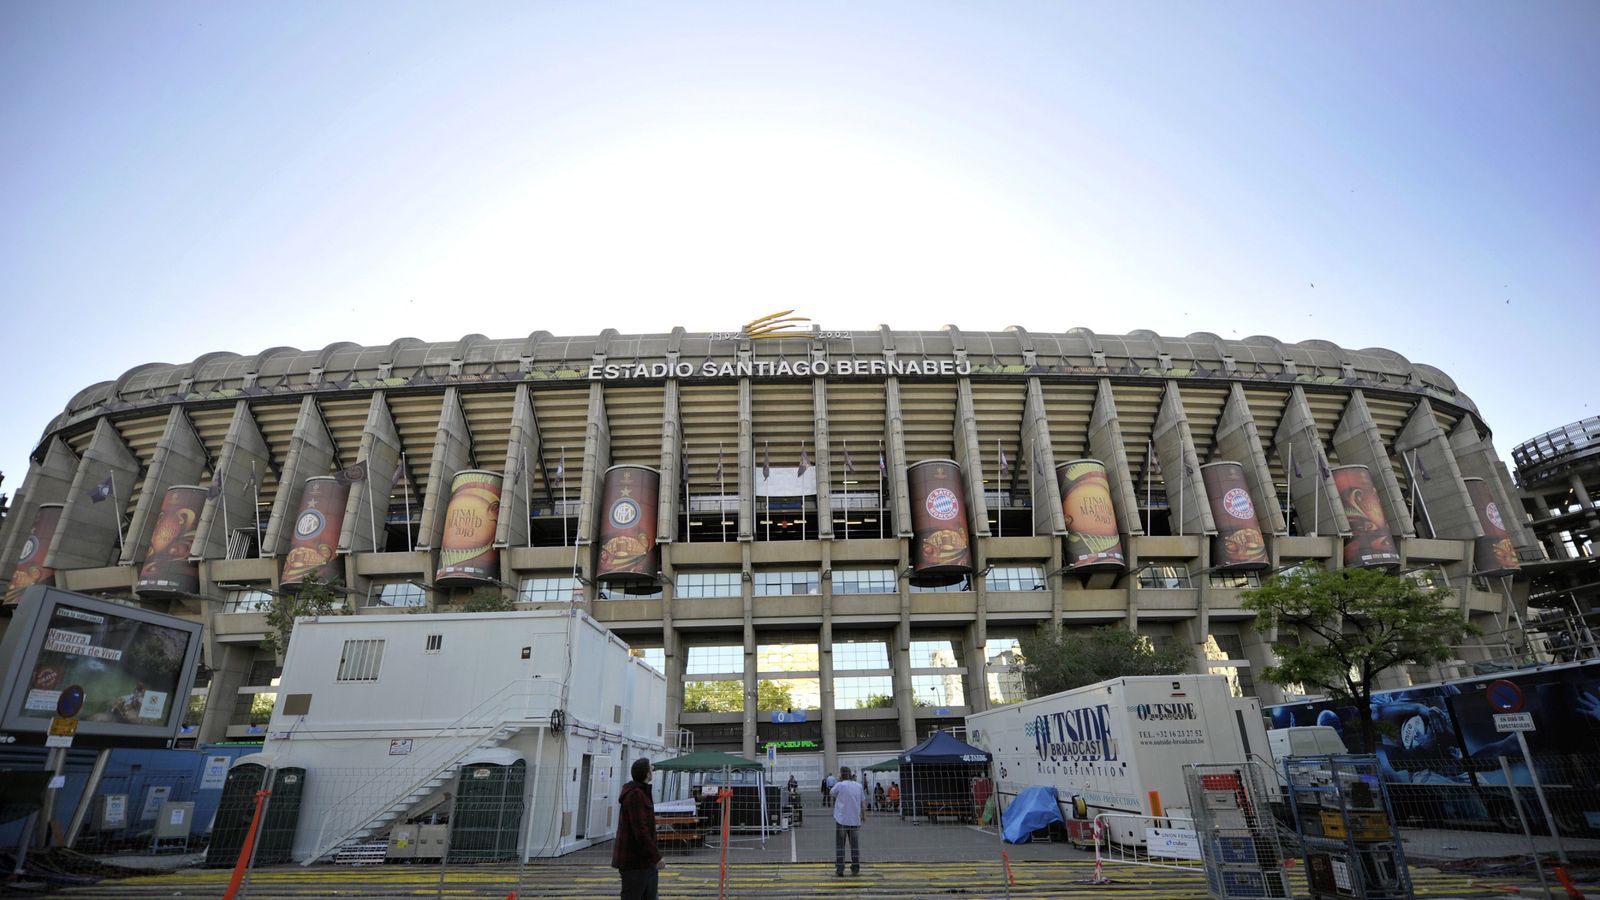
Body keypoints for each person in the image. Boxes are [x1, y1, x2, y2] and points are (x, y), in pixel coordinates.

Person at [612, 758, 664, 900]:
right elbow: (641, 830)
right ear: (647, 773)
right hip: (635, 862)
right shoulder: (636, 795)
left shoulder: (640, 792)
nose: (652, 771)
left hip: (644, 862)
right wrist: (656, 856)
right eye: (650, 769)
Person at [830, 766, 866, 877]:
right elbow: (863, 802)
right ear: (850, 774)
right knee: (854, 846)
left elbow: (832, 793)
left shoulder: (840, 785)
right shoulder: (858, 786)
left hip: (841, 820)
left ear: (841, 774)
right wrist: (864, 815)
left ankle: (840, 869)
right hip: (855, 820)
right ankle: (855, 868)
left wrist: (839, 780)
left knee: (840, 845)